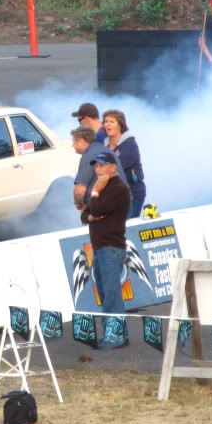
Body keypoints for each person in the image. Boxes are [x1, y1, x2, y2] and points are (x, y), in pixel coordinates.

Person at [81, 151, 131, 313]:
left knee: (111, 294)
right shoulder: (103, 187)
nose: (98, 169)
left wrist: (95, 192)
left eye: (102, 166)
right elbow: (85, 214)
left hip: (111, 247)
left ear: (113, 167)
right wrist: (90, 217)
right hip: (99, 247)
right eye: (96, 166)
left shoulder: (117, 188)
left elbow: (96, 210)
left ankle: (115, 336)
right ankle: (118, 335)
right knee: (103, 293)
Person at [102, 109, 147, 219]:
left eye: (111, 121)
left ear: (120, 125)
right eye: (106, 121)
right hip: (114, 195)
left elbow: (115, 168)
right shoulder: (105, 144)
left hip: (132, 193)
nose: (107, 124)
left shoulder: (130, 144)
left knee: (126, 227)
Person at [71, 125, 127, 211]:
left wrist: (79, 206)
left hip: (104, 208)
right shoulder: (108, 150)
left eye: (74, 142)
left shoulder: (88, 156)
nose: (72, 145)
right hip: (123, 202)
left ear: (81, 142)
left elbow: (79, 191)